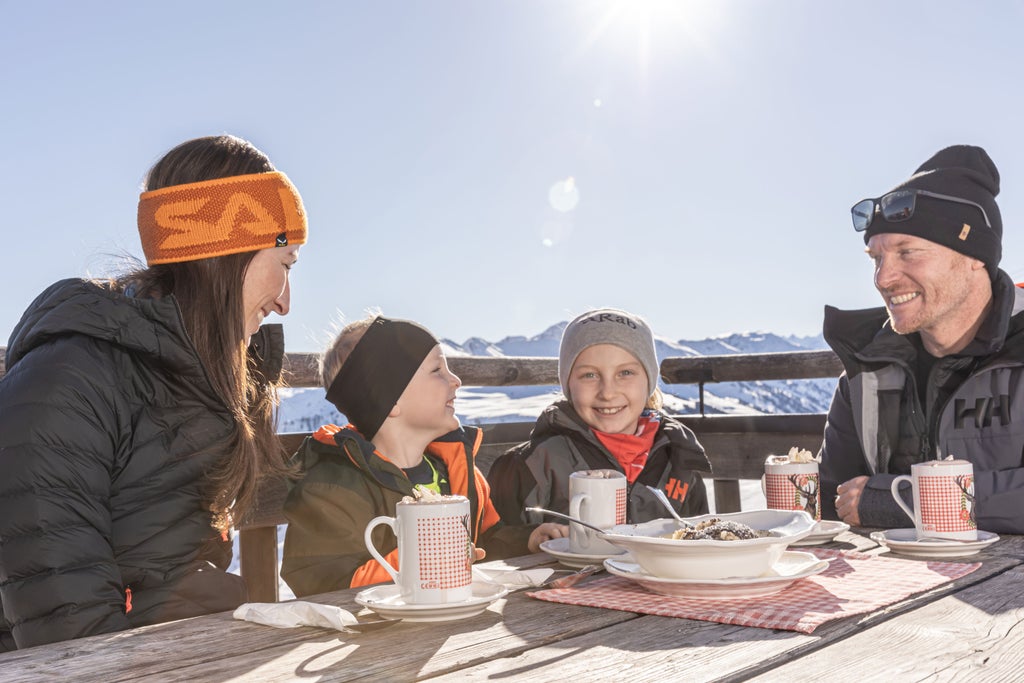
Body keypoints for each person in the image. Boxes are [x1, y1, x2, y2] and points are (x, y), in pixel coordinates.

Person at [0, 135, 308, 651]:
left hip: (179, 646)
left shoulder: (201, 375)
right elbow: (67, 627)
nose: (285, 301)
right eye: (286, 264)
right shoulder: (71, 381)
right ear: (225, 253)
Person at [280, 315, 566, 596]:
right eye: (436, 371)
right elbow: (324, 581)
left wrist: (527, 539)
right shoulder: (334, 486)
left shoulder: (460, 473)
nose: (456, 380)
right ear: (390, 402)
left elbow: (486, 540)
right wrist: (426, 559)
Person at [820, 144, 1024, 533]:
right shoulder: (866, 372)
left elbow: (873, 502)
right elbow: (833, 501)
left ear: (975, 255)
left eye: (907, 253)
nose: (882, 278)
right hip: (904, 588)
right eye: (876, 258)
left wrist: (907, 503)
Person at [490, 308, 712, 528]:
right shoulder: (530, 465)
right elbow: (495, 545)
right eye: (589, 375)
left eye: (625, 373)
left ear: (649, 381)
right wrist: (528, 540)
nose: (607, 393)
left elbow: (700, 547)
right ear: (568, 384)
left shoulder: (679, 458)